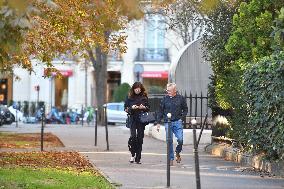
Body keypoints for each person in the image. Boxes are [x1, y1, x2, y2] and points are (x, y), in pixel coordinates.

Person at [156, 83, 188, 166]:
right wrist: (158, 122)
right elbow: (160, 111)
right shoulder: (164, 99)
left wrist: (182, 118)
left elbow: (185, 109)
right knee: (169, 141)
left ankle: (177, 152)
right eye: (167, 90)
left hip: (177, 122)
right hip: (168, 122)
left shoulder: (181, 98)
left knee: (180, 140)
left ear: (175, 90)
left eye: (169, 90)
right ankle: (171, 158)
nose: (168, 92)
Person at [124, 82, 150, 164]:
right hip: (132, 119)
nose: (137, 90)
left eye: (139, 88)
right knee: (133, 137)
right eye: (136, 88)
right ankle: (132, 154)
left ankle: (138, 158)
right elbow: (125, 108)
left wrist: (144, 107)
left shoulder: (144, 97)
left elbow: (148, 108)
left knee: (140, 138)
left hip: (141, 120)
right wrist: (131, 107)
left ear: (141, 89)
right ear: (133, 89)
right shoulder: (129, 97)